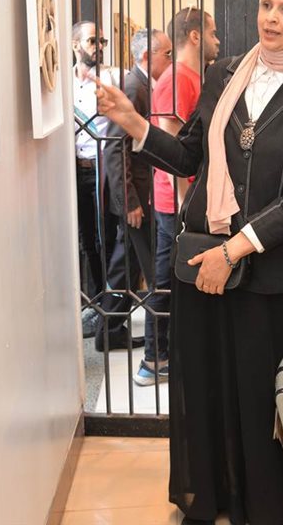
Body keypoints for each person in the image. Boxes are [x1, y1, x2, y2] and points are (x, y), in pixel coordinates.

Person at [95, 0, 283, 525]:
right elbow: (190, 157)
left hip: (276, 271)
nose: (272, 18)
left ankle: (265, 505)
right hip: (204, 262)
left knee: (259, 395)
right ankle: (212, 497)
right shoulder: (226, 73)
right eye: (266, 5)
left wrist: (232, 251)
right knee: (207, 384)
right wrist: (134, 124)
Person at [136, 8, 219, 385]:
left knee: (176, 279)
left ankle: (166, 355)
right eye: (212, 33)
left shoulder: (189, 77)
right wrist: (187, 207)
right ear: (196, 36)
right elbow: (171, 152)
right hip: (177, 203)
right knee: (170, 280)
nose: (218, 40)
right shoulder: (177, 79)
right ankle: (154, 360)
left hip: (188, 199)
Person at [98, 28, 173, 352]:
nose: (171, 60)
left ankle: (109, 330)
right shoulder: (133, 87)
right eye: (167, 54)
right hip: (136, 194)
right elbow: (115, 149)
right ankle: (152, 342)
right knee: (148, 264)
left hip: (140, 190)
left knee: (126, 263)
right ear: (146, 56)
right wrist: (128, 201)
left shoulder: (144, 85)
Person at [71, 20, 121, 338]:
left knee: (108, 238)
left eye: (102, 41)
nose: (99, 47)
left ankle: (112, 308)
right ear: (75, 44)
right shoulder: (64, 84)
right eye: (93, 41)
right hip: (76, 170)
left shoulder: (111, 79)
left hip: (105, 171)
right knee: (86, 239)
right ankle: (95, 303)